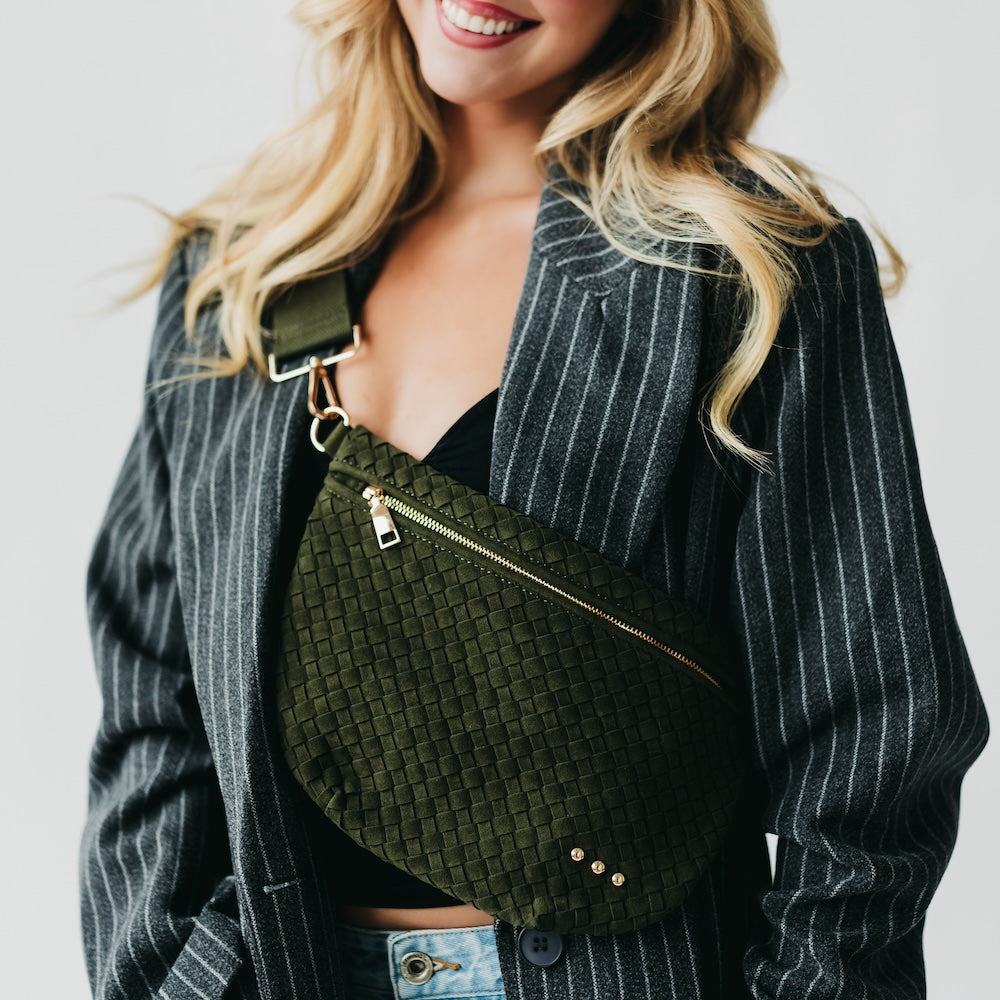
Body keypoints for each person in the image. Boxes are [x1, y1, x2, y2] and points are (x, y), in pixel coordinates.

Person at [80, 2, 988, 999]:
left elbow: (872, 733)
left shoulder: (745, 267)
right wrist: (173, 976)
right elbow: (152, 699)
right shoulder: (240, 272)